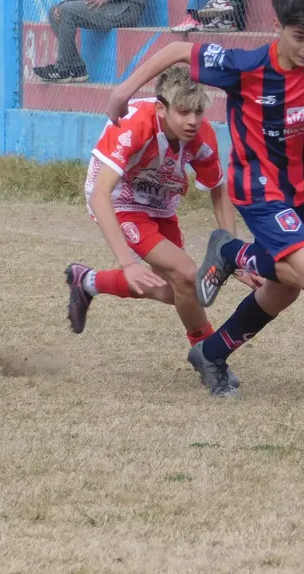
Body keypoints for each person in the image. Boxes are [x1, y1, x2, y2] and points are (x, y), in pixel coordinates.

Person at [104, 0, 304, 398]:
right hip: (257, 186)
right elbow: (177, 49)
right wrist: (123, 90)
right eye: (299, 37)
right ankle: (230, 252)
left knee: (285, 289)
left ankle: (211, 353)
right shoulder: (246, 66)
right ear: (278, 27)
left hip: (297, 191)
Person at [65, 67, 259, 388]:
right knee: (188, 276)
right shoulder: (134, 125)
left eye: (198, 111)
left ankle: (87, 281)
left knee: (179, 291)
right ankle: (210, 358)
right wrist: (128, 263)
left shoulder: (202, 137)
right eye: (182, 112)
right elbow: (100, 196)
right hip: (119, 199)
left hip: (160, 201)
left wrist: (234, 256)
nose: (192, 121)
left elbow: (218, 190)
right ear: (161, 108)